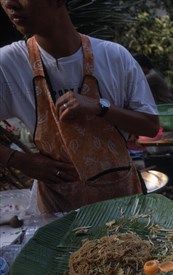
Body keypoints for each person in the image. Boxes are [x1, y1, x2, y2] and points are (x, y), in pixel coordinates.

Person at [0, 0, 159, 214]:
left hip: (122, 207)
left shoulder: (114, 57)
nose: (10, 3)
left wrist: (100, 107)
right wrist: (20, 160)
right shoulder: (10, 65)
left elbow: (150, 126)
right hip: (58, 210)